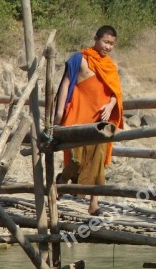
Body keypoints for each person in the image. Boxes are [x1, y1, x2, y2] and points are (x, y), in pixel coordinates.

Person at [53, 26, 123, 215]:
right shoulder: (80, 58)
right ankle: (62, 181)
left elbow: (115, 92)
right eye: (105, 42)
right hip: (77, 116)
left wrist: (110, 106)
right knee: (75, 160)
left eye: (111, 44)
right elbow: (66, 83)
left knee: (97, 162)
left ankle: (94, 204)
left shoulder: (110, 66)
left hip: (100, 122)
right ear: (95, 38)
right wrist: (59, 112)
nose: (108, 47)